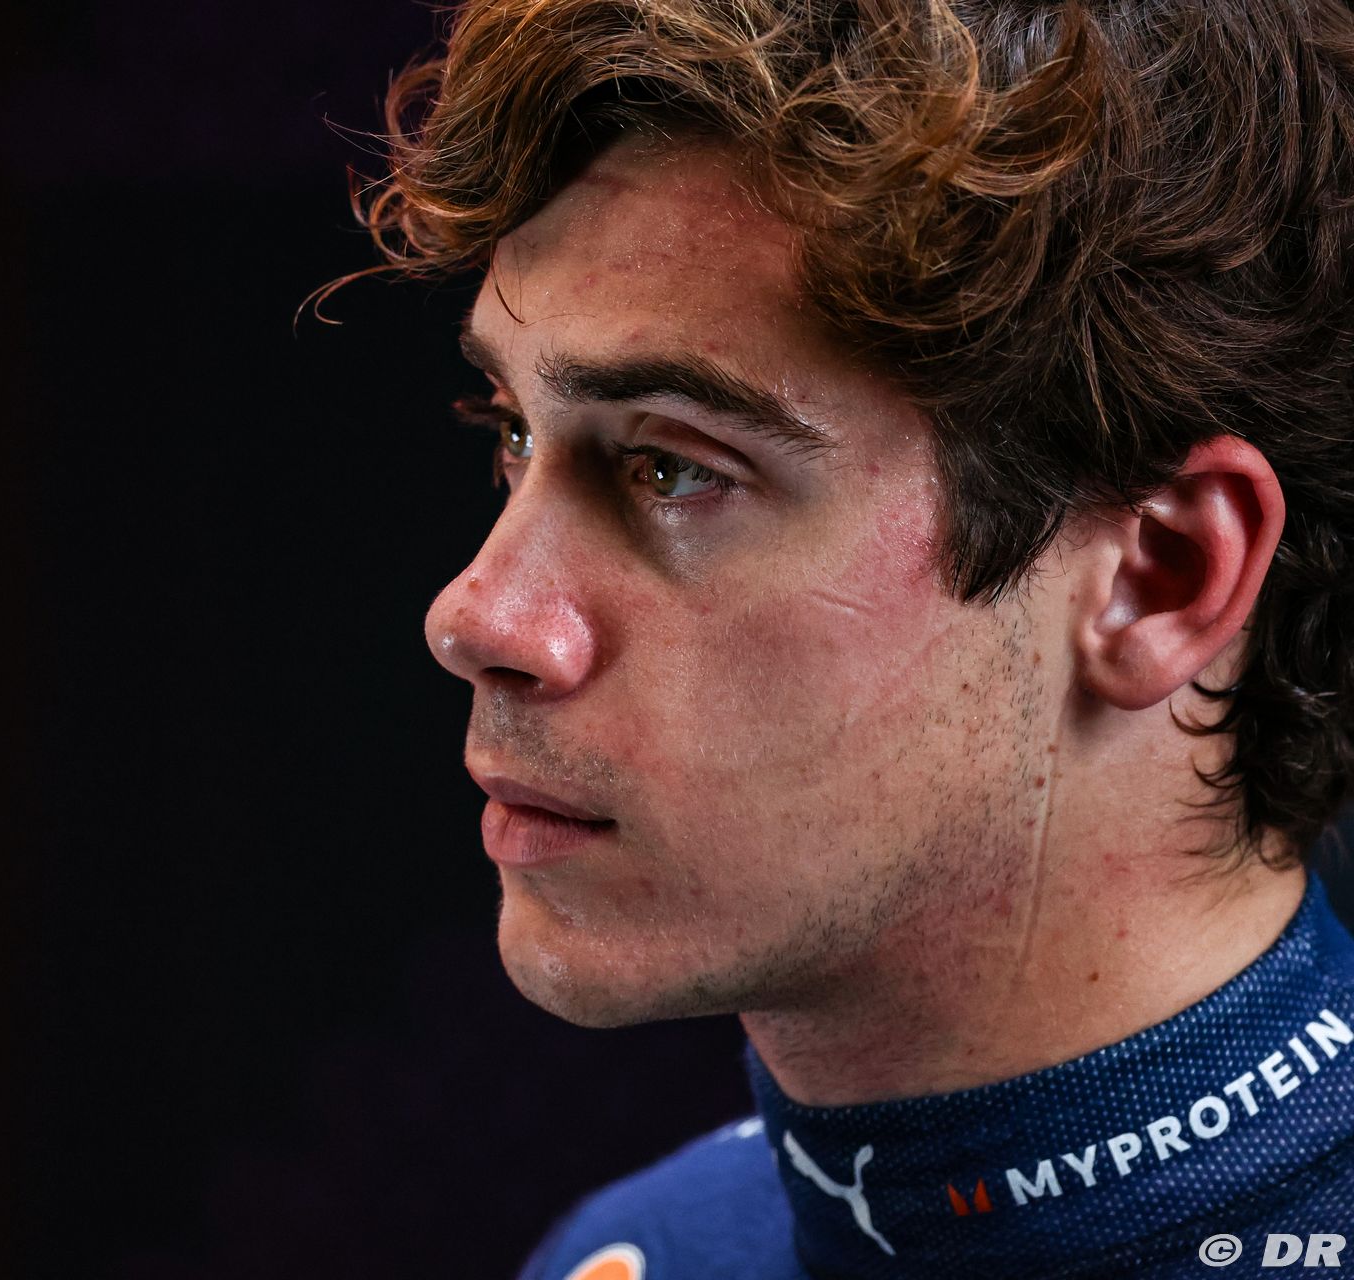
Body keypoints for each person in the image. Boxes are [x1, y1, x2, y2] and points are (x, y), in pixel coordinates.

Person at [318, 1, 1354, 1275]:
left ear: (1162, 578)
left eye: (671, 466)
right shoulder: (640, 1251)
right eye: (513, 432)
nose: (476, 614)